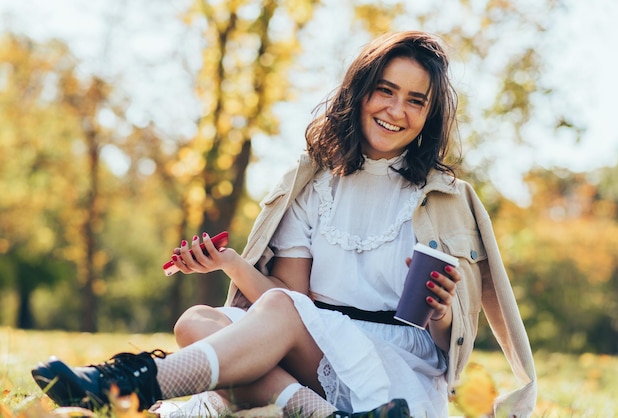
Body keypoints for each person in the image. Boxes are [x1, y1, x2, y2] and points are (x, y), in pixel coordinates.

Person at [31, 31, 537, 418]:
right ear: (361, 93)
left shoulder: (445, 199)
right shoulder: (315, 185)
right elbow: (292, 301)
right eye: (385, 91)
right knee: (196, 322)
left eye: (415, 100)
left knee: (233, 337)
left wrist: (443, 311)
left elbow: (453, 344)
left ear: (430, 114)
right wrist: (230, 263)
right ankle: (326, 414)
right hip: (317, 349)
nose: (395, 110)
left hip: (396, 365)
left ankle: (127, 383)